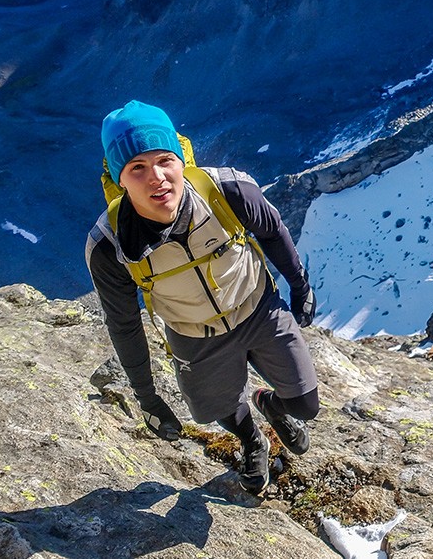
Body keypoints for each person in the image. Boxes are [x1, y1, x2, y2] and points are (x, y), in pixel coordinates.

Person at [85, 100, 319, 494]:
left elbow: (272, 229)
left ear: (180, 158)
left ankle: (270, 405)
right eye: (137, 168)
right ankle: (251, 439)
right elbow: (123, 324)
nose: (156, 177)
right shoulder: (109, 247)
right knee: (215, 410)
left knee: (305, 404)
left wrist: (300, 285)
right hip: (194, 334)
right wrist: (147, 398)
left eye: (164, 160)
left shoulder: (227, 191)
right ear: (119, 178)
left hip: (258, 307)